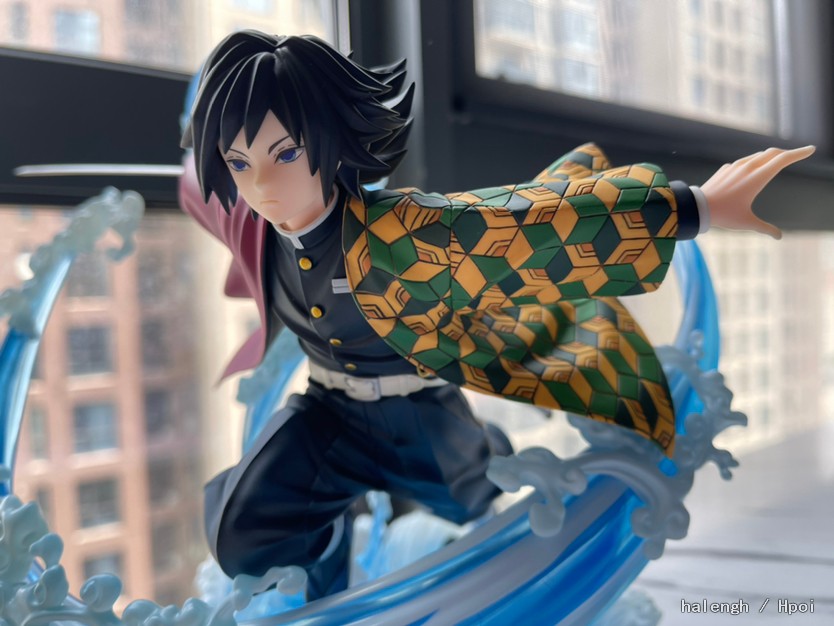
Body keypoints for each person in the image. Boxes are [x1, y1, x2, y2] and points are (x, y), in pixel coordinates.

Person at [178, 30, 814, 601]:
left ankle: (488, 450)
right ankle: (331, 583)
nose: (261, 186)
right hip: (325, 413)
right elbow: (194, 185)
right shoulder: (252, 227)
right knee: (245, 533)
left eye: (285, 154)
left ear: (330, 139)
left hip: (417, 417)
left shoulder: (400, 235)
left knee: (476, 499)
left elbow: (526, 225)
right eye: (240, 163)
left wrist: (694, 207)